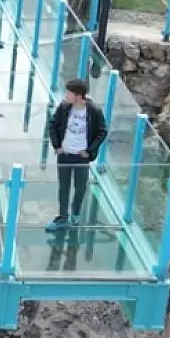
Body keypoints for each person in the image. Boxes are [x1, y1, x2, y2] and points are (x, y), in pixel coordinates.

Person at [45, 78, 107, 232]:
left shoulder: (94, 111)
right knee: (63, 186)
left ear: (79, 96)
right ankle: (62, 217)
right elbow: (53, 124)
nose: (66, 96)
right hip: (65, 154)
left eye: (69, 93)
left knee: (80, 187)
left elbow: (102, 132)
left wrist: (89, 151)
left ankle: (76, 213)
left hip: (81, 157)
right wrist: (57, 145)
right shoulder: (64, 107)